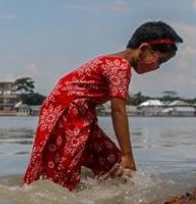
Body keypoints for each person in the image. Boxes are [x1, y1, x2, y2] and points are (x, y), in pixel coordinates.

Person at [23, 21, 183, 191]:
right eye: (160, 61)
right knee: (63, 171)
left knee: (111, 163)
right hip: (68, 111)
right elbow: (118, 110)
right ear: (144, 49)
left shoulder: (114, 63)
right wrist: (127, 155)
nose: (158, 67)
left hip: (79, 112)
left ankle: (106, 198)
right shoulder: (120, 67)